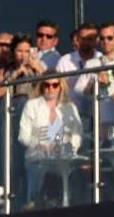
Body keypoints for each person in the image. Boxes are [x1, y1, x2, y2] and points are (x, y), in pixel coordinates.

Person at [18, 76, 85, 207]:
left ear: (61, 87)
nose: (50, 88)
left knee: (76, 173)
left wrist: (70, 147)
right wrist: (38, 145)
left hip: (64, 156)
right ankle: (35, 204)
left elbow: (78, 134)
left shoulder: (69, 107)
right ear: (41, 86)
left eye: (55, 85)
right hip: (37, 156)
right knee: (38, 174)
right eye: (46, 85)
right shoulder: (32, 105)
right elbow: (23, 135)